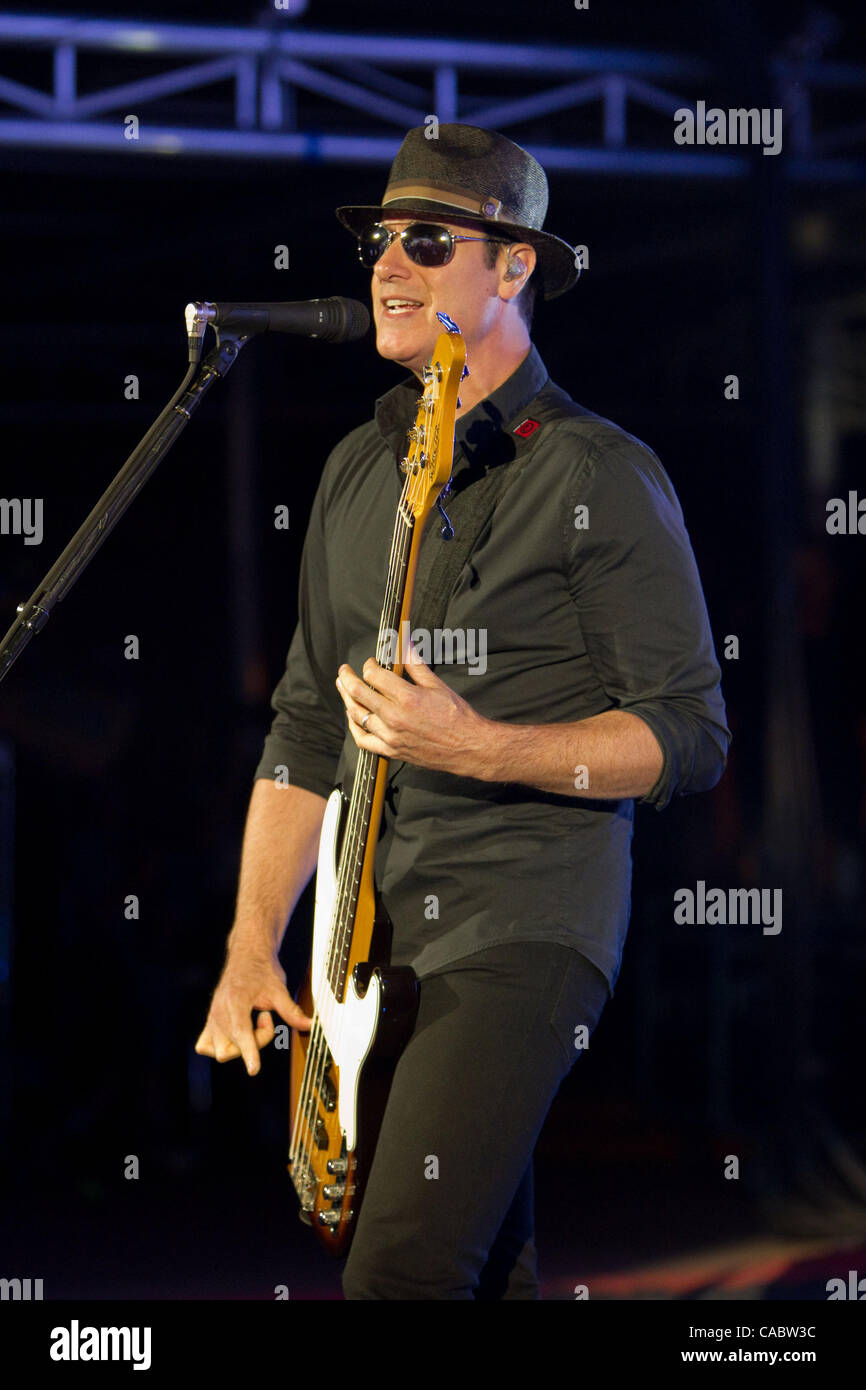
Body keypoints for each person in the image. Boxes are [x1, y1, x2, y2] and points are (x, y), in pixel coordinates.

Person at [195, 124, 730, 1299]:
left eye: (426, 242)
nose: (387, 264)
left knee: (401, 1269)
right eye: (382, 240)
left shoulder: (598, 474)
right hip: (373, 944)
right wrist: (250, 944)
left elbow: (687, 734)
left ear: (514, 267)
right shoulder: (355, 471)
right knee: (483, 1272)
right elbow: (301, 730)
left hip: (522, 926)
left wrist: (480, 746)